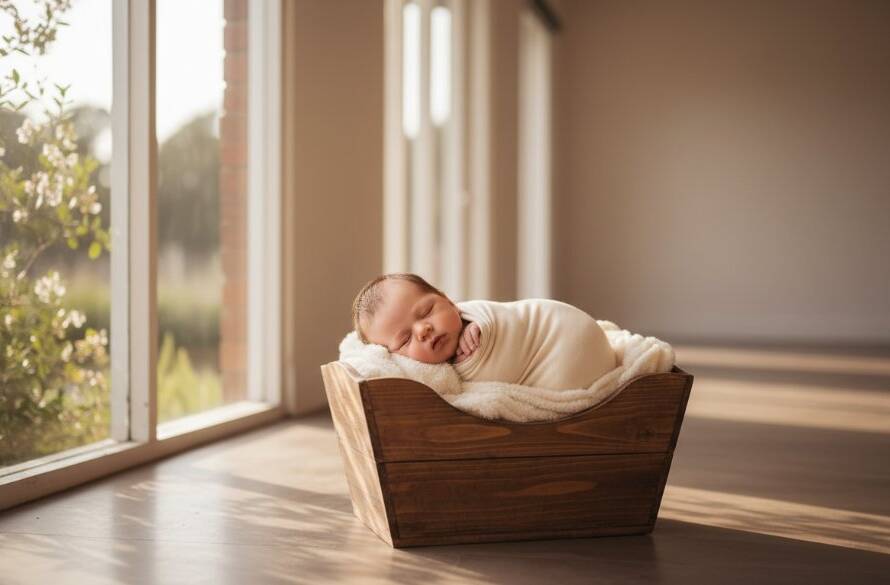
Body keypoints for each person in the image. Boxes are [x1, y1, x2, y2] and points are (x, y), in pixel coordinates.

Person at [352, 273, 615, 389]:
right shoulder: (427, 374)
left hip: (563, 341)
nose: (423, 330)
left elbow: (506, 326)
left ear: (449, 300)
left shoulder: (479, 317)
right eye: (406, 339)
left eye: (426, 311)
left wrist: (483, 330)